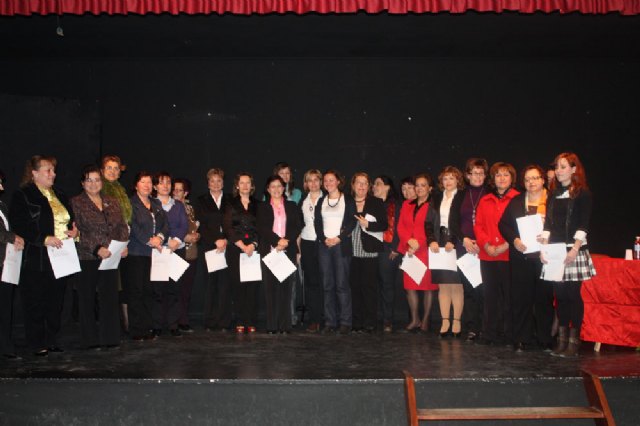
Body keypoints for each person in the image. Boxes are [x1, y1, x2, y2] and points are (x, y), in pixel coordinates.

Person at [9, 155, 79, 356]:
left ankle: (52, 339)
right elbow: (19, 223)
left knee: (56, 300)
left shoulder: (60, 194)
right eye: (48, 170)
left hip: (61, 256)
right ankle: (37, 342)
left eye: (53, 170)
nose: (53, 174)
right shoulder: (23, 195)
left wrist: (74, 231)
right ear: (34, 173)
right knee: (35, 300)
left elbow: (69, 220)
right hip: (36, 257)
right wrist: (43, 238)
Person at [540, 152, 595, 358]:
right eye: (557, 167)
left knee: (572, 295)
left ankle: (574, 341)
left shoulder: (583, 194)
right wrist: (544, 248)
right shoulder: (553, 194)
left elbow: (583, 224)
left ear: (573, 169)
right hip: (555, 249)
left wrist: (575, 249)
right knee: (560, 296)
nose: (558, 170)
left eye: (563, 167)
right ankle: (562, 340)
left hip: (573, 249)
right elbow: (548, 224)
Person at [71, 164, 129, 349]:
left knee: (109, 298)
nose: (93, 183)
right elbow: (77, 232)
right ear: (82, 183)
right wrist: (96, 248)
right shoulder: (76, 202)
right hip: (88, 256)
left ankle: (110, 338)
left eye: (97, 180)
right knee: (87, 299)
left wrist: (123, 245)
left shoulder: (112, 201)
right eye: (89, 180)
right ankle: (90, 340)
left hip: (111, 256)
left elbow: (121, 226)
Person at [499, 165, 554, 352]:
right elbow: (503, 225)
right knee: (521, 299)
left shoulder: (552, 201)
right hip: (521, 257)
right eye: (527, 179)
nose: (531, 182)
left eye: (535, 178)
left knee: (544, 299)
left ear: (543, 180)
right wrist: (514, 240)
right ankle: (522, 338)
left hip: (545, 258)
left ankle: (545, 338)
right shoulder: (516, 201)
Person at [474, 162, 519, 346]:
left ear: (512, 178)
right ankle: (489, 334)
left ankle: (509, 335)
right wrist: (486, 245)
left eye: (505, 175)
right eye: (498, 175)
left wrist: (506, 245)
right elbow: (478, 225)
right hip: (488, 254)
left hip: (509, 254)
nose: (501, 178)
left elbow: (521, 227)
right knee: (490, 296)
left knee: (509, 297)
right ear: (493, 179)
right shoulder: (485, 200)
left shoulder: (518, 199)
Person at [126, 171, 169, 341]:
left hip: (154, 254)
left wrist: (160, 238)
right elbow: (132, 226)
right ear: (136, 185)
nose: (147, 185)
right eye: (143, 182)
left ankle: (147, 327)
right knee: (136, 292)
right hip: (136, 253)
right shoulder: (131, 203)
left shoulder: (156, 203)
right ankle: (137, 330)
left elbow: (165, 225)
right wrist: (149, 240)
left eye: (149, 182)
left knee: (149, 291)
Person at [257, 175, 303, 334]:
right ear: (268, 189)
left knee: (286, 290)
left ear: (284, 188)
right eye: (273, 186)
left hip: (287, 251)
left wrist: (286, 241)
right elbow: (262, 227)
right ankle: (272, 325)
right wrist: (277, 241)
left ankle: (285, 325)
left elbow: (299, 225)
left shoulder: (292, 206)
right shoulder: (262, 207)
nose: (276, 189)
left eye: (279, 186)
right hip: (270, 252)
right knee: (270, 290)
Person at [314, 169, 356, 335]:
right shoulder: (321, 201)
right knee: (327, 285)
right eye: (325, 180)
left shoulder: (348, 200)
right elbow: (317, 223)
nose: (328, 183)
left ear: (338, 181)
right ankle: (330, 321)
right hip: (324, 246)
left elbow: (352, 222)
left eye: (331, 180)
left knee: (342, 285)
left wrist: (339, 238)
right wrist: (324, 238)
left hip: (341, 245)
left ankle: (345, 322)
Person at [426, 166, 465, 338]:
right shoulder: (435, 198)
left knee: (456, 284)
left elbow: (462, 222)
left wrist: (453, 241)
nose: (448, 181)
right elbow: (428, 222)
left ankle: (456, 321)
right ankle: (445, 321)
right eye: (445, 178)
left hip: (456, 242)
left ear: (458, 180)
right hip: (438, 241)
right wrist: (431, 240)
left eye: (451, 178)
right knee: (442, 285)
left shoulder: (462, 197)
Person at [396, 173, 438, 333]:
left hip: (426, 250)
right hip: (410, 251)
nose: (419, 188)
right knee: (409, 287)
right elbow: (401, 227)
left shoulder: (433, 206)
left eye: (423, 185)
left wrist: (419, 243)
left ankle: (425, 320)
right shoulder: (407, 204)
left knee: (428, 288)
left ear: (430, 188)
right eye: (417, 185)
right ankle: (415, 319)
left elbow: (433, 228)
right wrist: (409, 241)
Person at [151, 172, 188, 337]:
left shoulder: (178, 205)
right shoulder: (151, 204)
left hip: (176, 250)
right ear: (155, 186)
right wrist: (163, 241)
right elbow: (151, 226)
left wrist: (177, 240)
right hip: (158, 251)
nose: (165, 186)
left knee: (175, 290)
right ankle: (157, 324)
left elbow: (183, 225)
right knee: (157, 290)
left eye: (168, 183)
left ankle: (173, 324)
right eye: (161, 183)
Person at [195, 168, 231, 332]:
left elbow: (234, 223)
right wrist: (215, 240)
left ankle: (223, 321)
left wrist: (225, 240)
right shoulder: (201, 201)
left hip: (227, 247)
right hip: (209, 247)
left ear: (223, 183)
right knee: (210, 284)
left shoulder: (230, 200)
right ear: (208, 183)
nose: (216, 184)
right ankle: (210, 321)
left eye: (219, 181)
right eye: (212, 181)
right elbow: (200, 225)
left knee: (225, 285)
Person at [350, 172, 387, 333]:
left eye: (365, 183)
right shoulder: (347, 201)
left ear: (369, 186)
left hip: (369, 250)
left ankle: (370, 321)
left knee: (369, 287)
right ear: (353, 185)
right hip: (350, 251)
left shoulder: (376, 202)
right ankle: (356, 322)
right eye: (359, 183)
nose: (362, 186)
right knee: (355, 287)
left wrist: (368, 225)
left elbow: (384, 225)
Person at [223, 172, 260, 334]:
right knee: (237, 286)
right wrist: (242, 245)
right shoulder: (230, 204)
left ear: (252, 186)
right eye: (242, 183)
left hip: (253, 250)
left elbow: (261, 227)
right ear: (237, 186)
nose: (245, 186)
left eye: (248, 183)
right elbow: (228, 227)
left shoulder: (258, 205)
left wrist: (253, 244)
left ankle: (250, 320)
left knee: (252, 286)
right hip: (235, 249)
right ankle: (240, 320)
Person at [458, 158, 489, 341]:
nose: (477, 176)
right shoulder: (461, 194)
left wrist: (482, 243)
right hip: (466, 247)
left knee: (484, 289)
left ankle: (485, 327)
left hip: (485, 247)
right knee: (469, 289)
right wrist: (465, 239)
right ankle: (472, 327)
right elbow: (454, 221)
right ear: (467, 175)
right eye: (474, 173)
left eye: (481, 173)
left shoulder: (490, 193)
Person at [100, 155, 132, 334]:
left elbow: (125, 220)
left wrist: (123, 242)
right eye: (109, 168)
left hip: (121, 244)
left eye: (116, 168)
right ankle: (108, 328)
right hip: (106, 245)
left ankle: (123, 326)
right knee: (108, 287)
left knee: (121, 286)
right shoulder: (100, 189)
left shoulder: (121, 190)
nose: (112, 171)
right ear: (102, 171)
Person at [0, 169, 25, 359]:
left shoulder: (2, 205)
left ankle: (5, 343)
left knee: (5, 304)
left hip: (5, 262)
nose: (1, 187)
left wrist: (15, 236)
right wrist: (12, 237)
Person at [372, 175, 401, 333]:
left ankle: (387, 319)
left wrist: (396, 247)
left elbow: (400, 227)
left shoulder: (396, 205)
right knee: (372, 284)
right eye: (374, 184)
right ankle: (375, 317)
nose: (374, 186)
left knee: (387, 284)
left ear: (388, 187)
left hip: (388, 248)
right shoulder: (371, 203)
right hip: (371, 248)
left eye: (378, 183)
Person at [173, 177, 200, 333]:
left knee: (186, 289)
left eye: (180, 190)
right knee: (174, 289)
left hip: (190, 252)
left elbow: (194, 227)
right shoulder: (168, 207)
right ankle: (174, 320)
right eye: (174, 190)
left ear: (186, 193)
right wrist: (184, 237)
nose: (176, 192)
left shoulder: (190, 208)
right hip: (175, 252)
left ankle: (183, 319)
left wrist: (197, 235)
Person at [298, 169, 324, 333]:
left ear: (321, 182)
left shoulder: (329, 198)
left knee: (326, 282)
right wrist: (298, 250)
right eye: (310, 180)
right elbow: (299, 227)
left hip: (324, 244)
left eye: (316, 180)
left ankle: (328, 317)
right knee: (311, 283)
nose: (313, 183)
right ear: (306, 183)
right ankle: (314, 319)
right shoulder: (302, 201)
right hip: (307, 244)